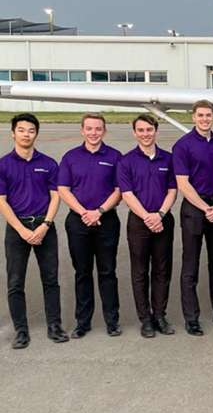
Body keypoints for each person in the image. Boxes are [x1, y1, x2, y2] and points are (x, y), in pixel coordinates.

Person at [0, 113, 68, 349]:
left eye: (30, 130)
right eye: (21, 130)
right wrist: (20, 229)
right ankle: (21, 331)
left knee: (50, 280)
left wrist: (45, 225)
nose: (26, 134)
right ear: (13, 133)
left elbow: (55, 196)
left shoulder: (48, 163)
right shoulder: (3, 164)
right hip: (17, 228)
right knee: (15, 281)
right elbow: (2, 201)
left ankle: (54, 326)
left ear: (36, 133)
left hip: (44, 226)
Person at [57, 113, 123, 338]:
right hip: (79, 221)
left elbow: (119, 190)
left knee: (107, 271)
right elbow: (63, 189)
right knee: (82, 272)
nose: (93, 132)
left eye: (98, 129)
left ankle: (112, 321)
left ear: (104, 131)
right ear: (82, 130)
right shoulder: (70, 157)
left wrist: (100, 211)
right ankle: (82, 322)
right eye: (89, 128)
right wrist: (84, 212)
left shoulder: (114, 156)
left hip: (106, 220)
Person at [173, 100, 213, 336]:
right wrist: (204, 207)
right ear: (193, 117)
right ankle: (192, 317)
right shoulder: (183, 145)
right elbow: (182, 183)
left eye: (208, 115)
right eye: (200, 115)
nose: (205, 119)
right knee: (191, 264)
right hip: (194, 209)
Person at [117, 114, 178, 338]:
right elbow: (127, 194)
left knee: (162, 270)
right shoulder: (126, 161)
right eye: (141, 130)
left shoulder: (168, 159)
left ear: (156, 131)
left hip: (163, 220)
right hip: (139, 222)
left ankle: (160, 315)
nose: (145, 134)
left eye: (149, 130)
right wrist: (147, 217)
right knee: (140, 271)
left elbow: (173, 190)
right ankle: (145, 319)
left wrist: (160, 214)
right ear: (135, 133)